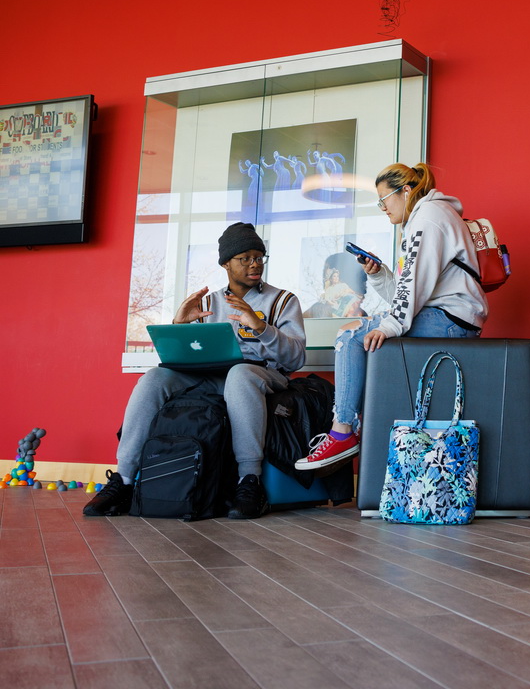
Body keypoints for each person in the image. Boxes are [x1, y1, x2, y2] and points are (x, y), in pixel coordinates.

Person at [84, 222, 306, 520]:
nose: (255, 264)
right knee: (154, 378)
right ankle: (123, 481)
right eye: (246, 258)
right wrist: (179, 326)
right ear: (226, 263)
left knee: (240, 374)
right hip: (209, 375)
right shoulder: (208, 301)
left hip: (260, 373)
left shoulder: (283, 301)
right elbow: (187, 352)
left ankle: (248, 482)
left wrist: (261, 327)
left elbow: (296, 358)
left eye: (259, 257)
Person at [295, 162, 488, 471]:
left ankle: (343, 431)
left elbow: (411, 295)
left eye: (384, 199)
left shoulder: (428, 218)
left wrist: (389, 324)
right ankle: (352, 430)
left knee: (350, 335)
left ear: (406, 191)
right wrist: (379, 275)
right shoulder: (422, 219)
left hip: (451, 320)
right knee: (361, 333)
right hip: (445, 315)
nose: (382, 207)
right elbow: (408, 293)